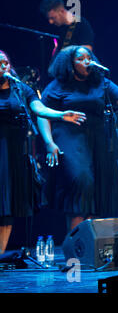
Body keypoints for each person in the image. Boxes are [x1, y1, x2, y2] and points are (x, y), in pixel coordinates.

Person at [37, 45, 118, 232]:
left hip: (98, 137)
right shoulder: (58, 86)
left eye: (88, 57)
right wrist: (49, 142)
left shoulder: (100, 82)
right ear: (69, 64)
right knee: (81, 180)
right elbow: (42, 114)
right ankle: (75, 245)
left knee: (97, 188)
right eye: (80, 59)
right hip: (69, 136)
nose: (86, 61)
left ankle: (90, 246)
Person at [0, 49, 86, 254]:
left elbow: (39, 109)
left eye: (6, 62)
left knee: (6, 209)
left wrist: (60, 114)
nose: (4, 67)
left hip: (12, 154)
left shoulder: (19, 89)